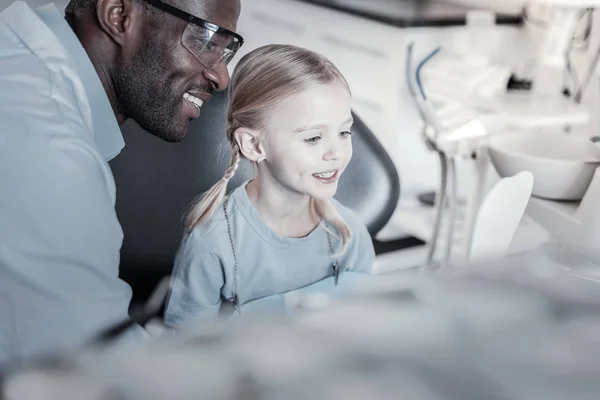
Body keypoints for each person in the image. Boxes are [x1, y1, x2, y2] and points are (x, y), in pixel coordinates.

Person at [0, 0, 242, 364]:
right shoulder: (49, 150)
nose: (221, 77)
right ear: (118, 15)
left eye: (228, 49)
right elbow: (88, 372)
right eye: (207, 40)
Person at [164, 44, 376, 328]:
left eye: (343, 132)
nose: (335, 152)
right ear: (253, 145)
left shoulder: (348, 235)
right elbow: (184, 349)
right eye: (313, 138)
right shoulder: (213, 243)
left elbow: (361, 330)